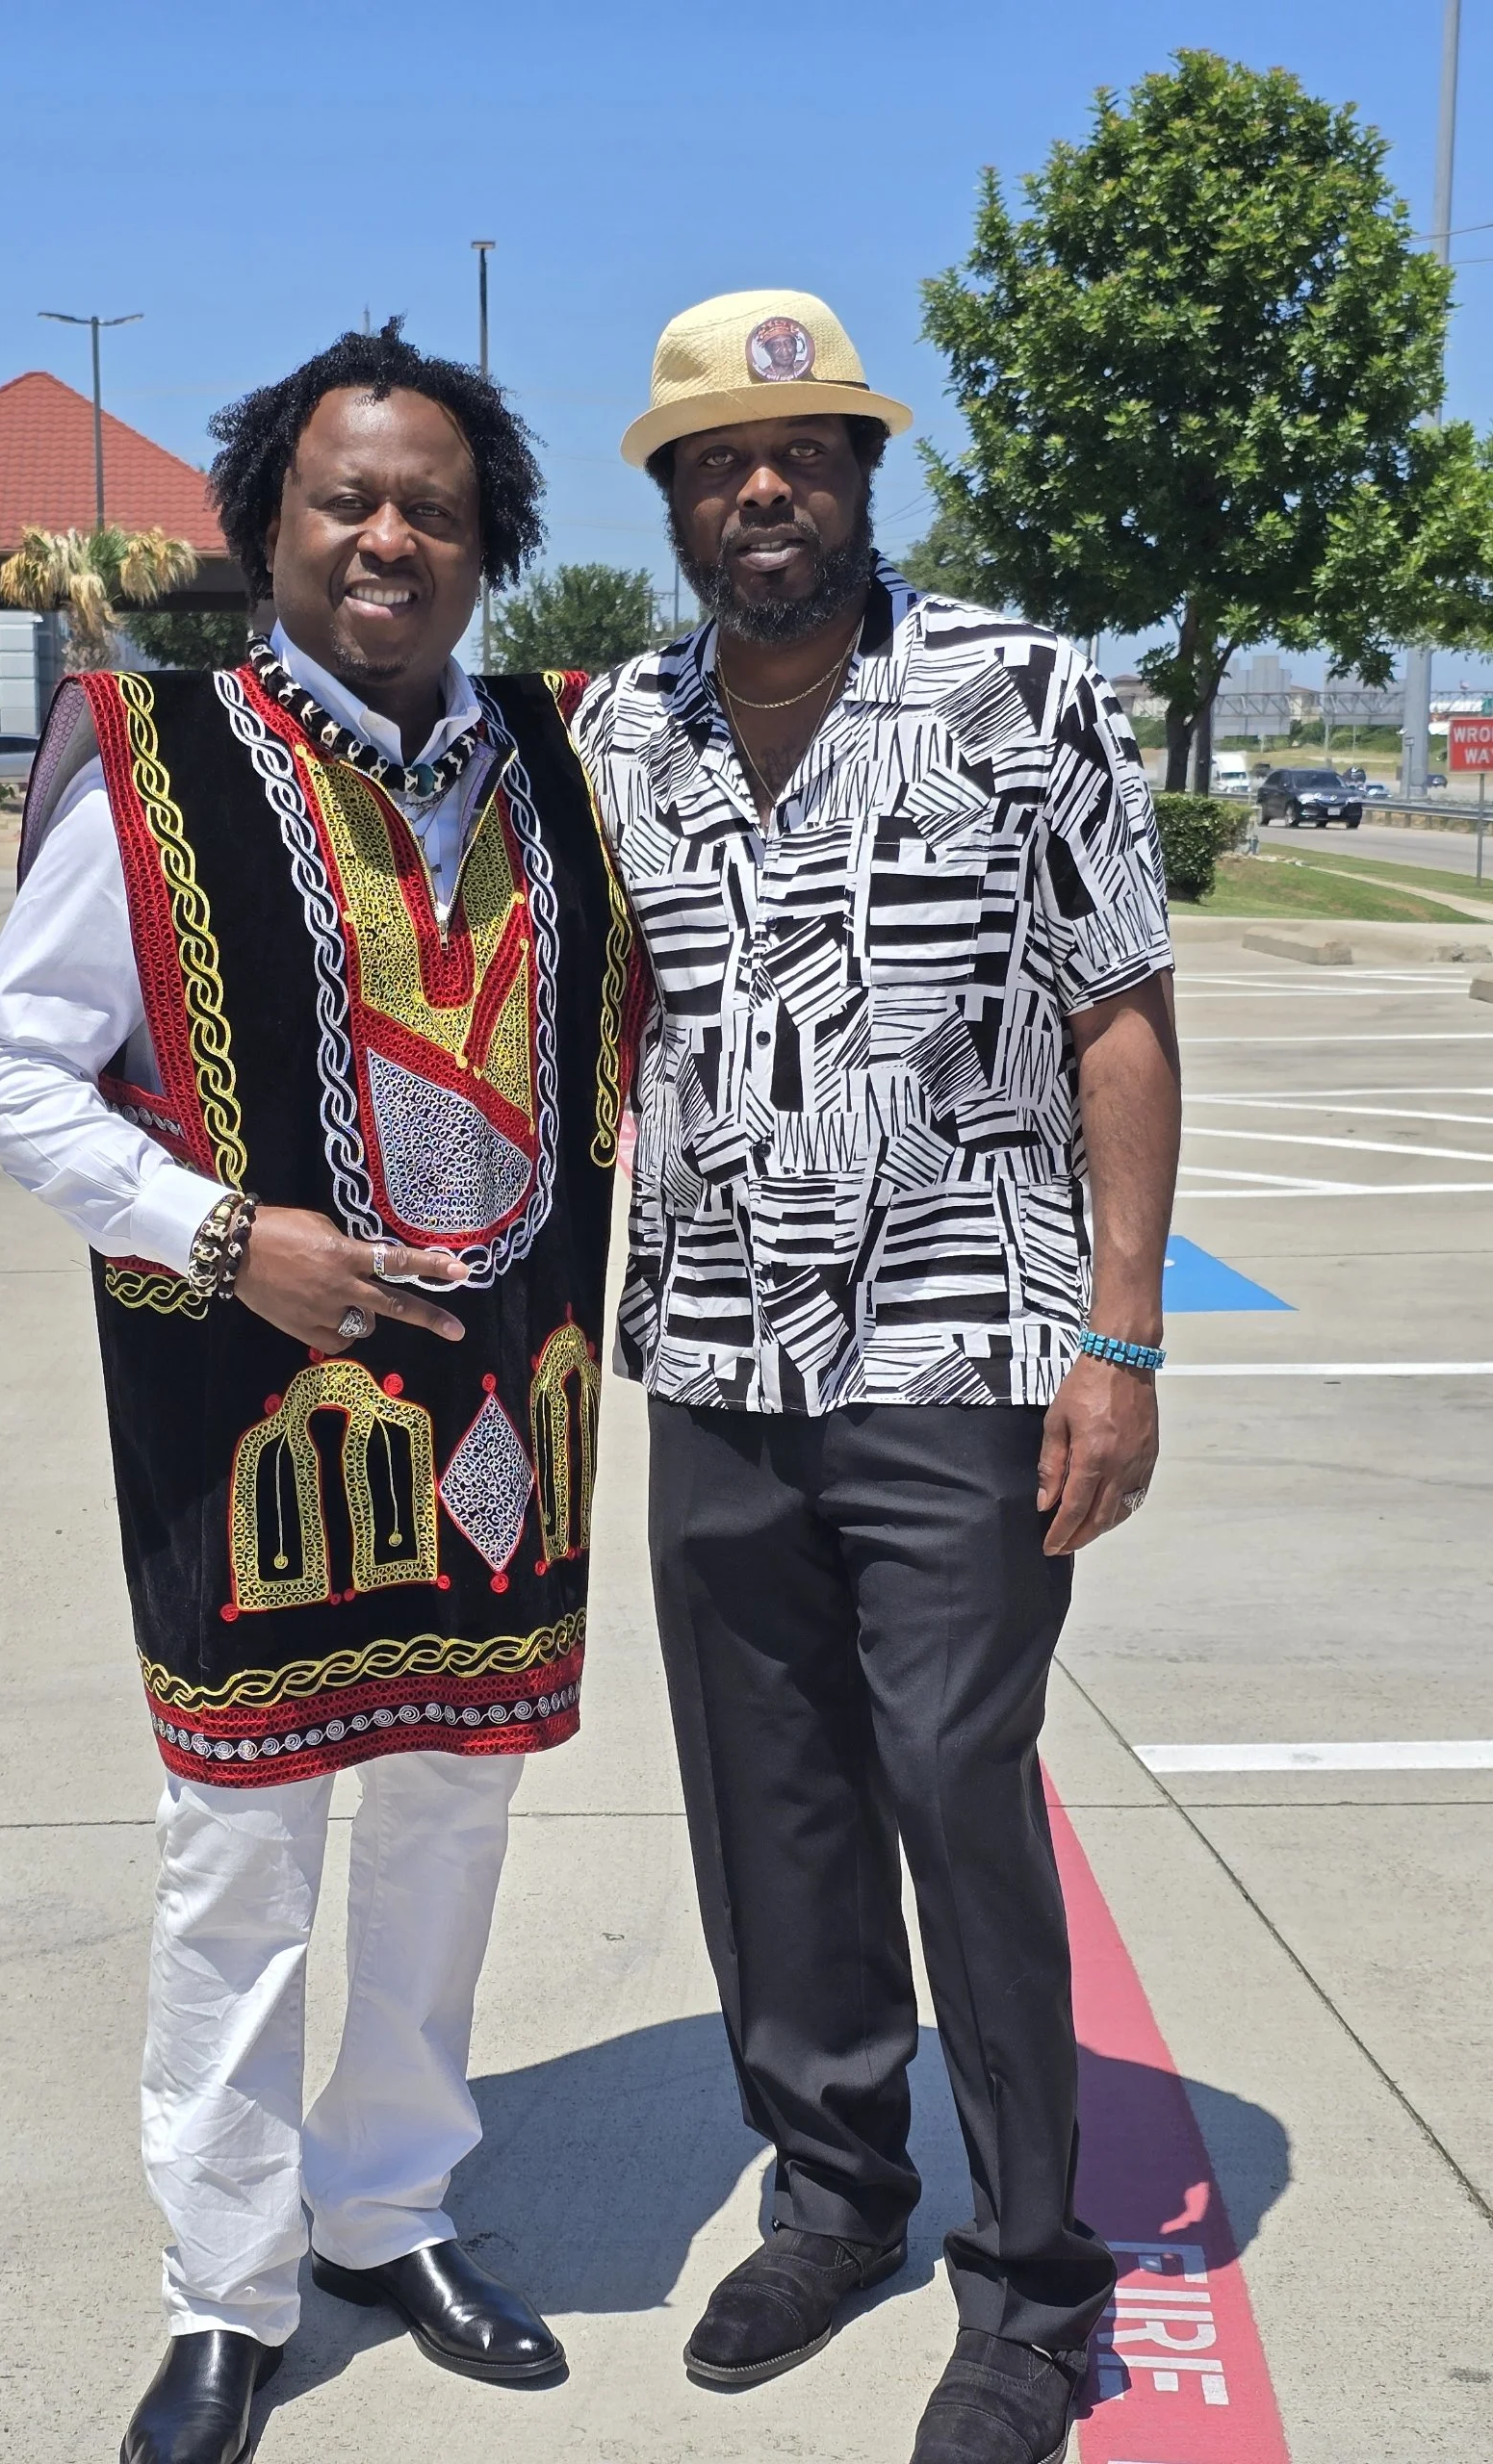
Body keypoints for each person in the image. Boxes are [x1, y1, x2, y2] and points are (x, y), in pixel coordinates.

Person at [0, 320, 637, 2464]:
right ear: (269, 523)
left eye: (432, 502)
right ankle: (226, 2287)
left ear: (489, 541)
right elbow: (2, 1071)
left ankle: (392, 2205)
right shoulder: (150, 762)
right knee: (237, 1860)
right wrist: (225, 1230)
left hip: (505, 1423)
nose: (388, 535)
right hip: (250, 1430)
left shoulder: (560, 751)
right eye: (346, 495)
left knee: (446, 1828)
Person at [574, 290, 1180, 2464]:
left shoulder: (1020, 691)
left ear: (859, 478)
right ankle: (838, 2190)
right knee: (773, 1794)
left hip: (964, 1341)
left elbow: (1119, 1004)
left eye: (805, 453)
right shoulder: (613, 732)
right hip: (716, 1352)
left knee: (951, 1773)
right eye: (723, 460)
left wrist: (1118, 1338)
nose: (764, 487)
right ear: (670, 496)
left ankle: (1033, 2282)